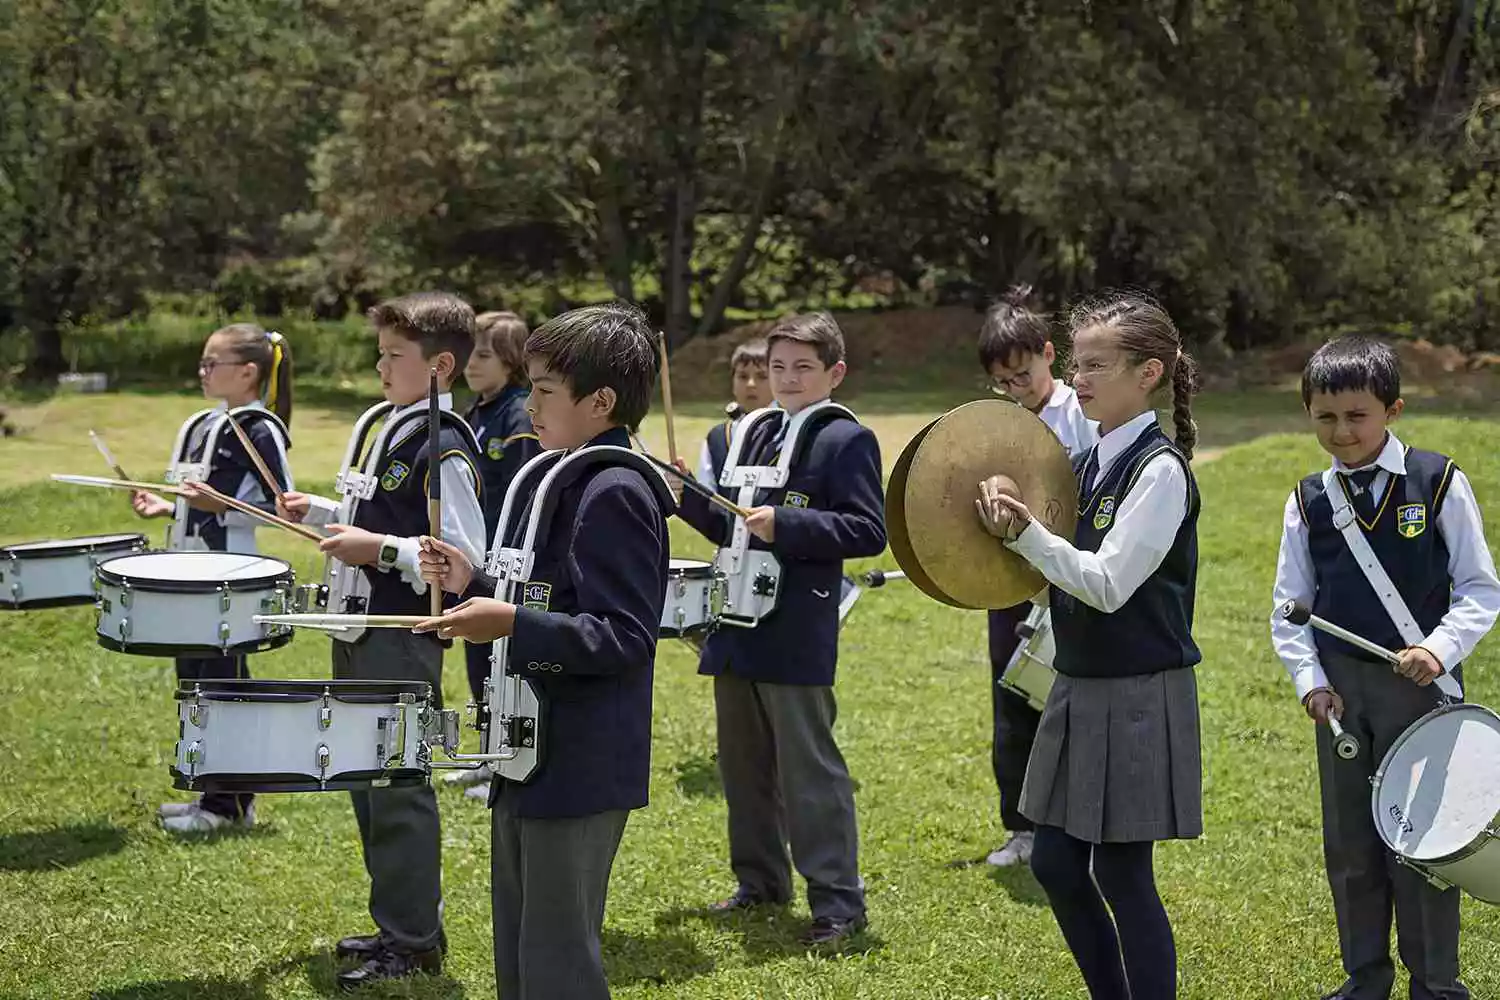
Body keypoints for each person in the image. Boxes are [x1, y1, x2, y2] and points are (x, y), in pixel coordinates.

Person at [412, 301, 671, 1000]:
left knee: (558, 955)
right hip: (526, 750)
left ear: (602, 401)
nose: (530, 404)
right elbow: (549, 590)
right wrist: (477, 580)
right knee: (520, 941)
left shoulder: (614, 490)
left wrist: (511, 624)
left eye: (547, 391)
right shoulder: (559, 472)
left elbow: (623, 635)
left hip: (579, 757)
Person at [974, 292, 1202, 999]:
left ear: (1150, 373)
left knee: (1123, 873)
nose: (1080, 376)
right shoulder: (1089, 462)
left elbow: (1106, 586)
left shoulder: (1160, 472)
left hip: (1137, 690)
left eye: (1099, 364)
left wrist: (1027, 537)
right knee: (1057, 865)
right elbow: (1063, 584)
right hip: (1078, 681)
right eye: (1078, 362)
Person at [1269, 335, 1500, 1000]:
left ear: (1392, 410)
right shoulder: (1307, 500)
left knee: (1423, 848)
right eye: (1325, 417)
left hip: (1421, 696)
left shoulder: (1438, 482)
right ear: (1309, 413)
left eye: (1357, 415)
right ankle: (1365, 978)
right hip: (1342, 698)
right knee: (1350, 847)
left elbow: (1480, 589)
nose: (1342, 432)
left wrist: (1438, 648)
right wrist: (1311, 683)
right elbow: (1291, 609)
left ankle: (1435, 984)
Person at [277, 291, 486, 990]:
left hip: (401, 635)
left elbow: (463, 556)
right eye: (381, 353)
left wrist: (382, 551)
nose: (380, 365)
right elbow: (381, 515)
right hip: (361, 630)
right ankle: (398, 924)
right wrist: (328, 513)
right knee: (368, 785)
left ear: (443, 366)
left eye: (395, 356)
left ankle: (415, 940)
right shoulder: (392, 427)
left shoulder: (444, 444)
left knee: (398, 788)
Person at [673, 311, 887, 947]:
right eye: (777, 367)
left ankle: (839, 904)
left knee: (808, 771)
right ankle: (760, 881)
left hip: (795, 626)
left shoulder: (845, 440)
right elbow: (730, 526)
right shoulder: (754, 434)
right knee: (744, 768)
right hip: (735, 625)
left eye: (802, 367)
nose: (786, 378)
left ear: (834, 373)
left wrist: (788, 526)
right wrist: (686, 495)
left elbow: (866, 531)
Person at [131, 323, 294, 835]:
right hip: (190, 572)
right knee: (195, 682)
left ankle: (226, 805)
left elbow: (281, 510)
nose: (202, 372)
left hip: (227, 578)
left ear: (247, 372)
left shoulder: (259, 428)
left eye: (211, 364)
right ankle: (215, 793)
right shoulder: (205, 424)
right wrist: (167, 507)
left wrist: (219, 506)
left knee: (222, 686)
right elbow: (197, 503)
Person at [976, 285, 1098, 868]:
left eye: (1022, 375)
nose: (1014, 389)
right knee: (1012, 702)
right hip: (1011, 582)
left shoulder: (1083, 412)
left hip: (1072, 579)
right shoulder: (995, 420)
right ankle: (1020, 828)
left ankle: (1079, 824)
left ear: (1049, 354)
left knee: (1070, 702)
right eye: (1003, 382)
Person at [448, 310, 541, 801]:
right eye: (470, 354)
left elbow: (522, 492)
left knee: (504, 660)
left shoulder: (519, 413)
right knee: (477, 658)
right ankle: (486, 754)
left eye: (484, 354)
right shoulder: (473, 413)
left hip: (504, 556)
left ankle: (507, 756)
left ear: (511, 362)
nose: (472, 364)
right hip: (475, 555)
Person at [695, 337, 771, 488]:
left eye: (761, 376)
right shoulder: (717, 438)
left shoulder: (788, 432)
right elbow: (706, 493)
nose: (750, 384)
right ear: (733, 383)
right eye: (743, 376)